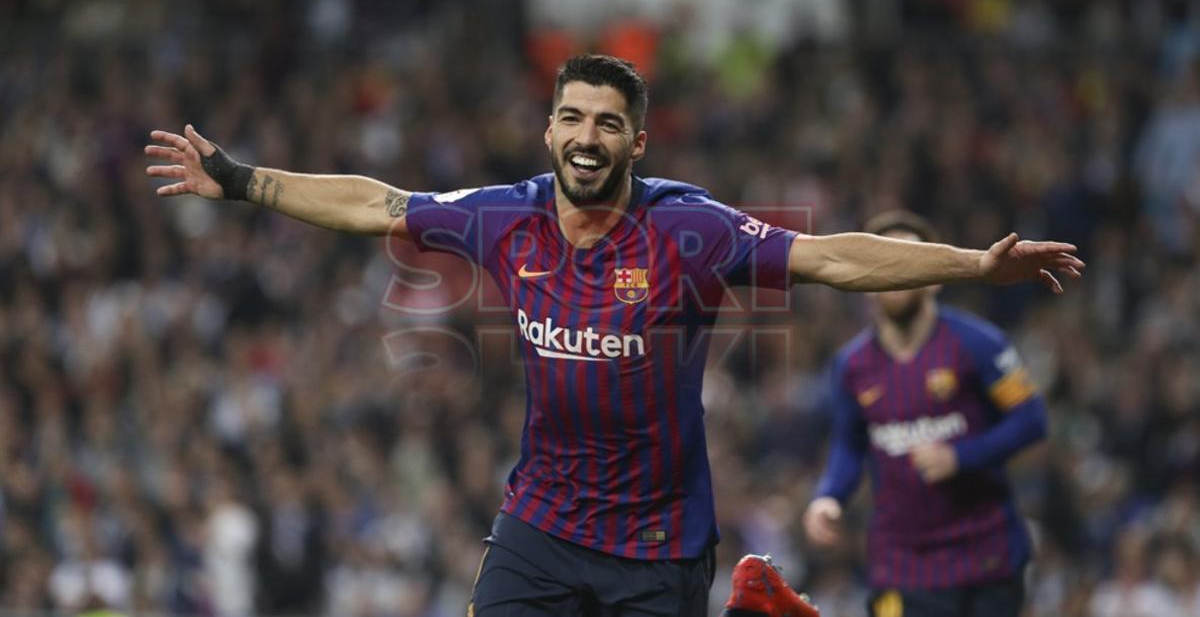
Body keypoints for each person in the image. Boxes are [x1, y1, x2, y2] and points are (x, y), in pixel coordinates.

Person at [145, 55, 1082, 616]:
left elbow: (833, 258)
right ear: (548, 129)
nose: (586, 135)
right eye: (571, 117)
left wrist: (973, 265)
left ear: (638, 143)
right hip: (542, 524)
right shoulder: (501, 217)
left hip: (660, 544)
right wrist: (239, 178)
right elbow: (375, 202)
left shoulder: (690, 230)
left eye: (608, 122)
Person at [801, 210, 1051, 617]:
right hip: (901, 563)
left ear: (935, 278)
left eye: (910, 263)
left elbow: (1031, 419)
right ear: (866, 282)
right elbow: (848, 444)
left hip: (986, 557)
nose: (897, 276)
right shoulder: (851, 366)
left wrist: (961, 456)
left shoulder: (979, 344)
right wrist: (829, 497)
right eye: (885, 265)